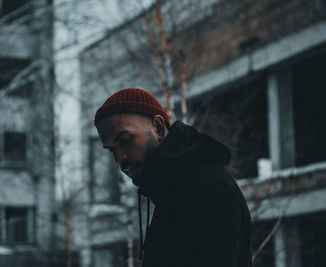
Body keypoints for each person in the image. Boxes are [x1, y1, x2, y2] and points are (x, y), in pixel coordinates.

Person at [94, 88, 252, 267]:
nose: (119, 159)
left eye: (125, 141)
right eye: (112, 150)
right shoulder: (174, 192)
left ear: (159, 128)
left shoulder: (206, 187)